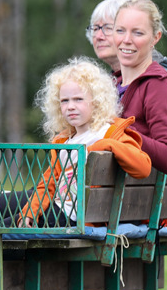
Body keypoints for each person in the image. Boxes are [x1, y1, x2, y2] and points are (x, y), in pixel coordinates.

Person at [18, 58, 151, 227]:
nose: (70, 106)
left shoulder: (109, 133)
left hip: (78, 220)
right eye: (64, 101)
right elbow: (48, 185)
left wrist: (106, 145)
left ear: (97, 101)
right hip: (58, 210)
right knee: (3, 225)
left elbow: (143, 167)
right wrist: (31, 211)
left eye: (78, 99)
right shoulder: (64, 142)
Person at [87, 0, 167, 148]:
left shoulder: (159, 82)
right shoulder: (111, 83)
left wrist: (119, 135)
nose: (99, 36)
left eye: (107, 28)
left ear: (154, 38)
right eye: (95, 28)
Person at [111, 0, 167, 176]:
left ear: (155, 38)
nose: (126, 40)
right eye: (120, 30)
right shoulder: (109, 84)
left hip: (128, 192)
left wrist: (120, 132)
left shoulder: (158, 86)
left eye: (138, 33)